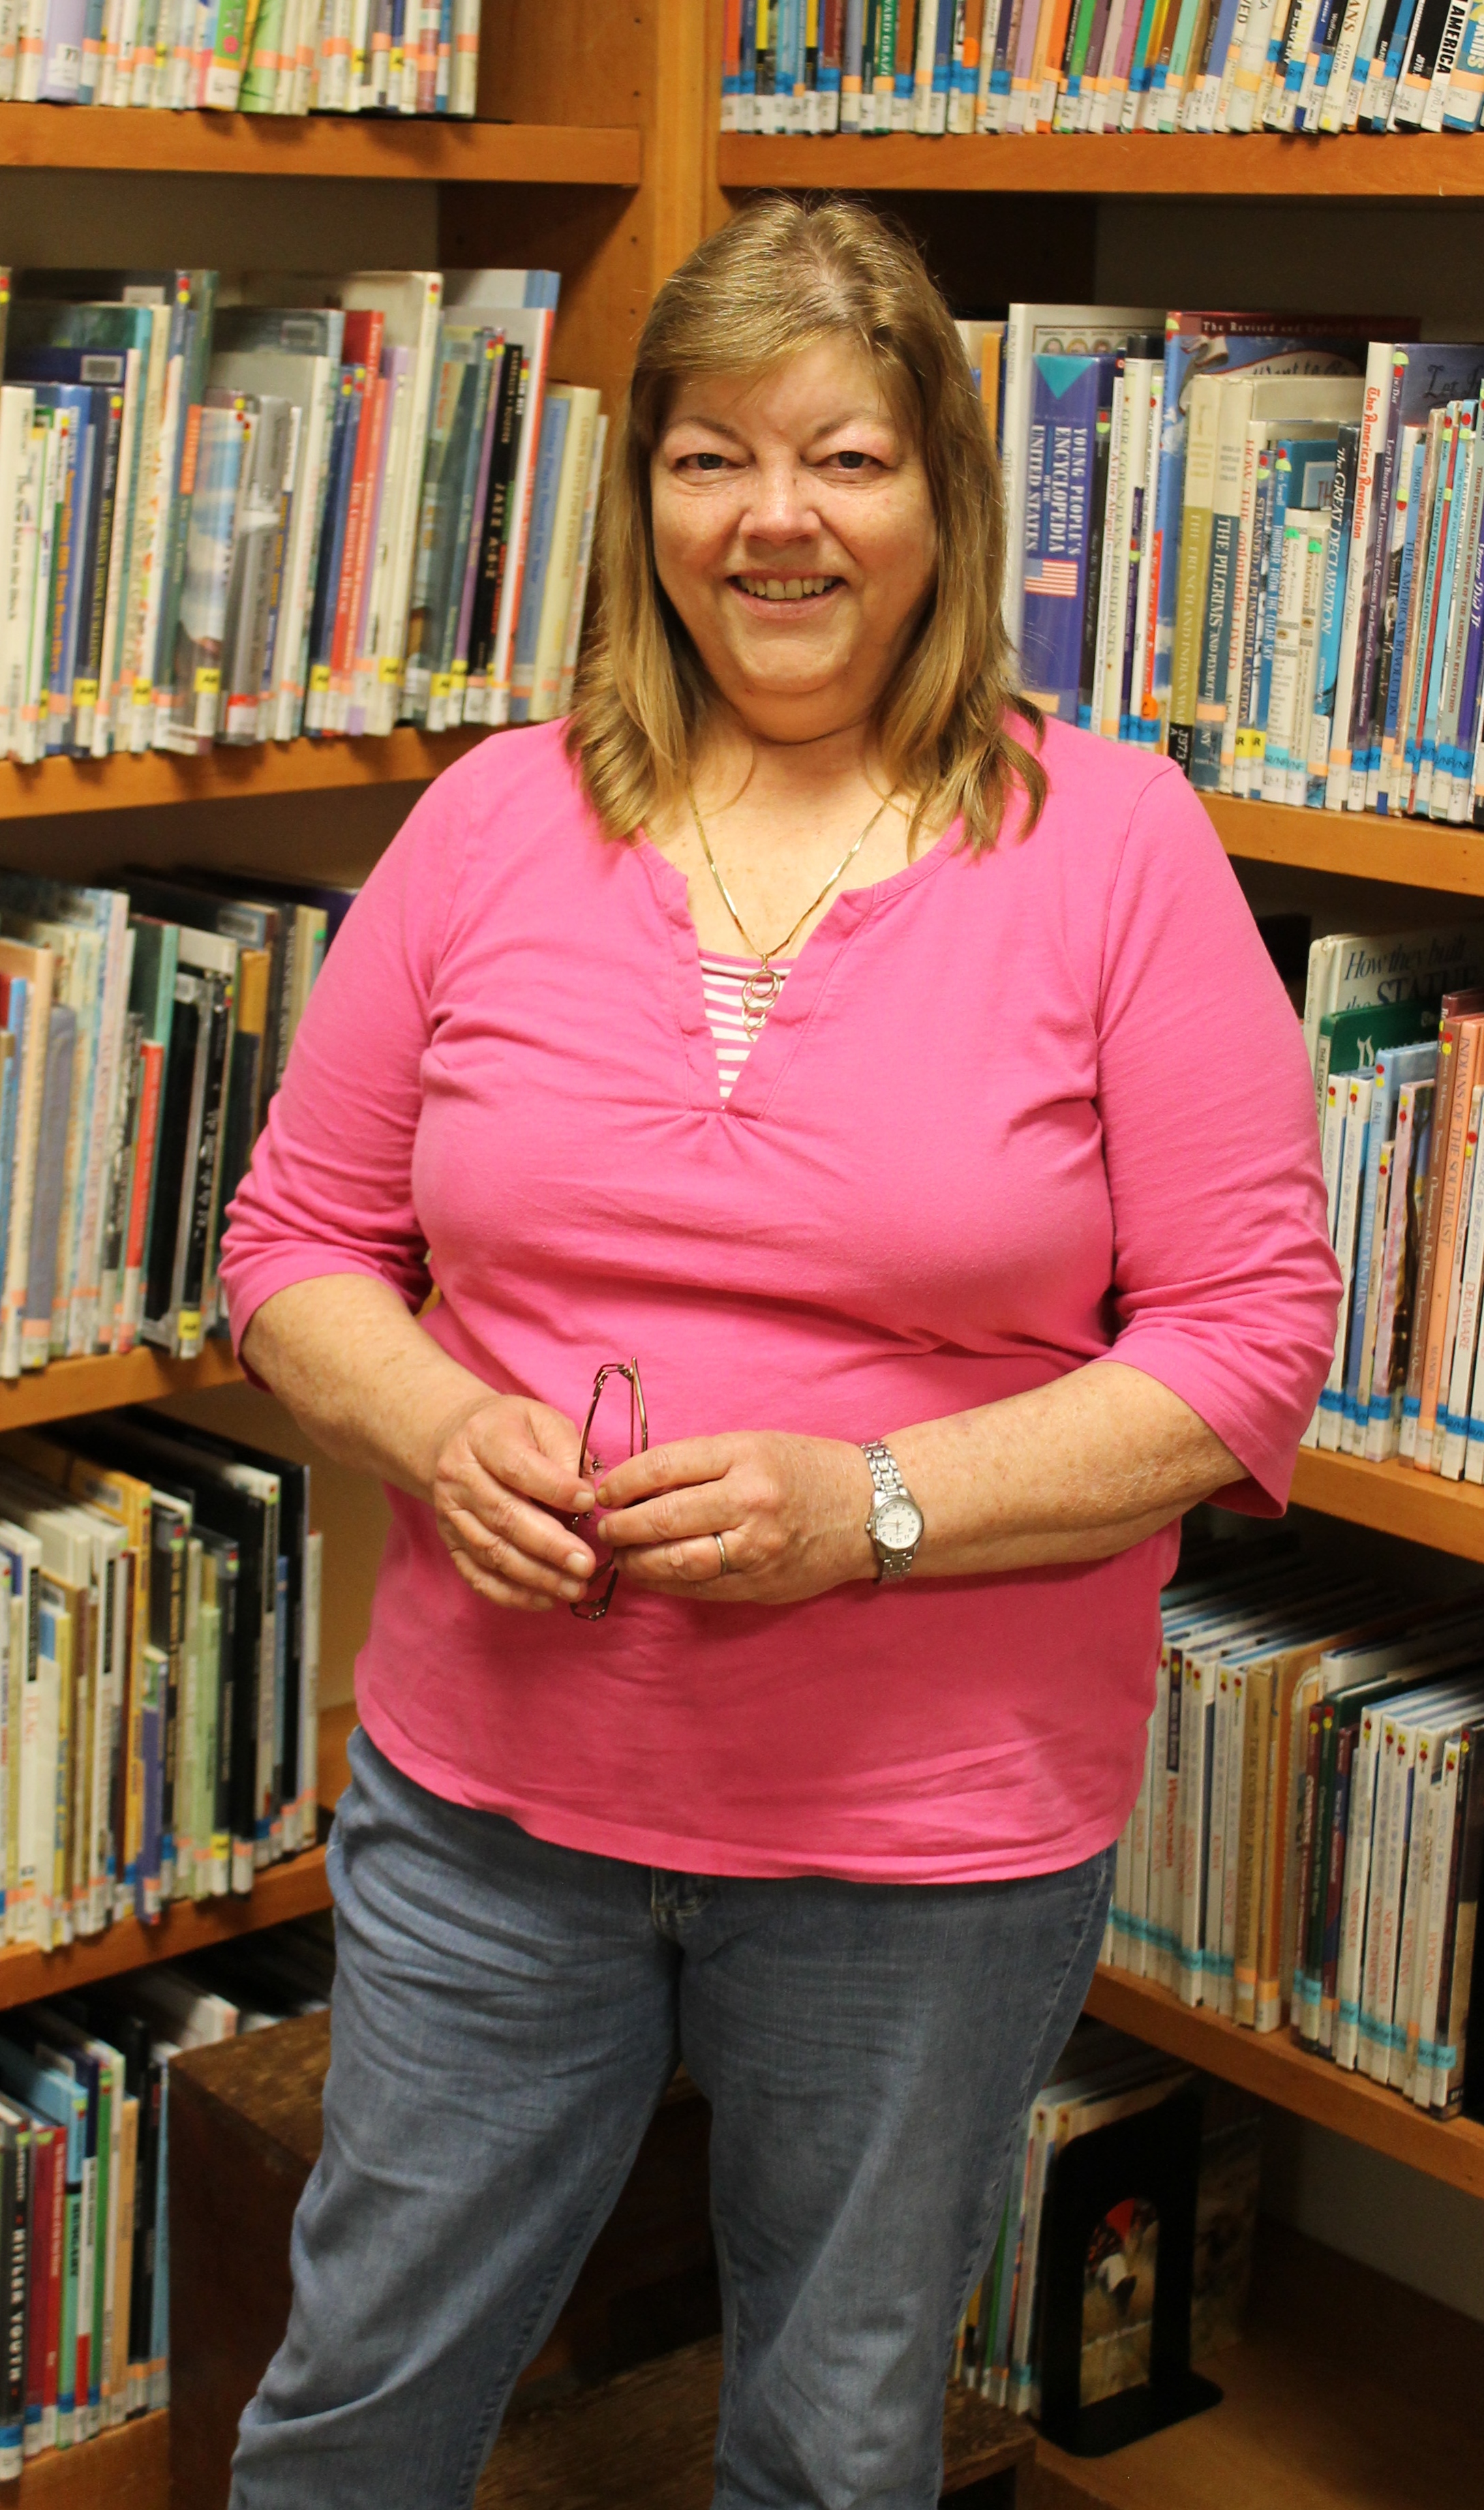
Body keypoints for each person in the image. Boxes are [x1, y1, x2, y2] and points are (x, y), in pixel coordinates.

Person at [221, 196, 1339, 2510]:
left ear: (939, 494)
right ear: (642, 499)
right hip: (490, 1809)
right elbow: (295, 1242)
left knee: (832, 2447)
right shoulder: (491, 821)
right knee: (351, 2411)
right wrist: (434, 1420)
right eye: (709, 457)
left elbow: (1243, 1338)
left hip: (921, 1844)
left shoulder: (1114, 846)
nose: (773, 519)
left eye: (842, 456)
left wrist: (875, 1506)